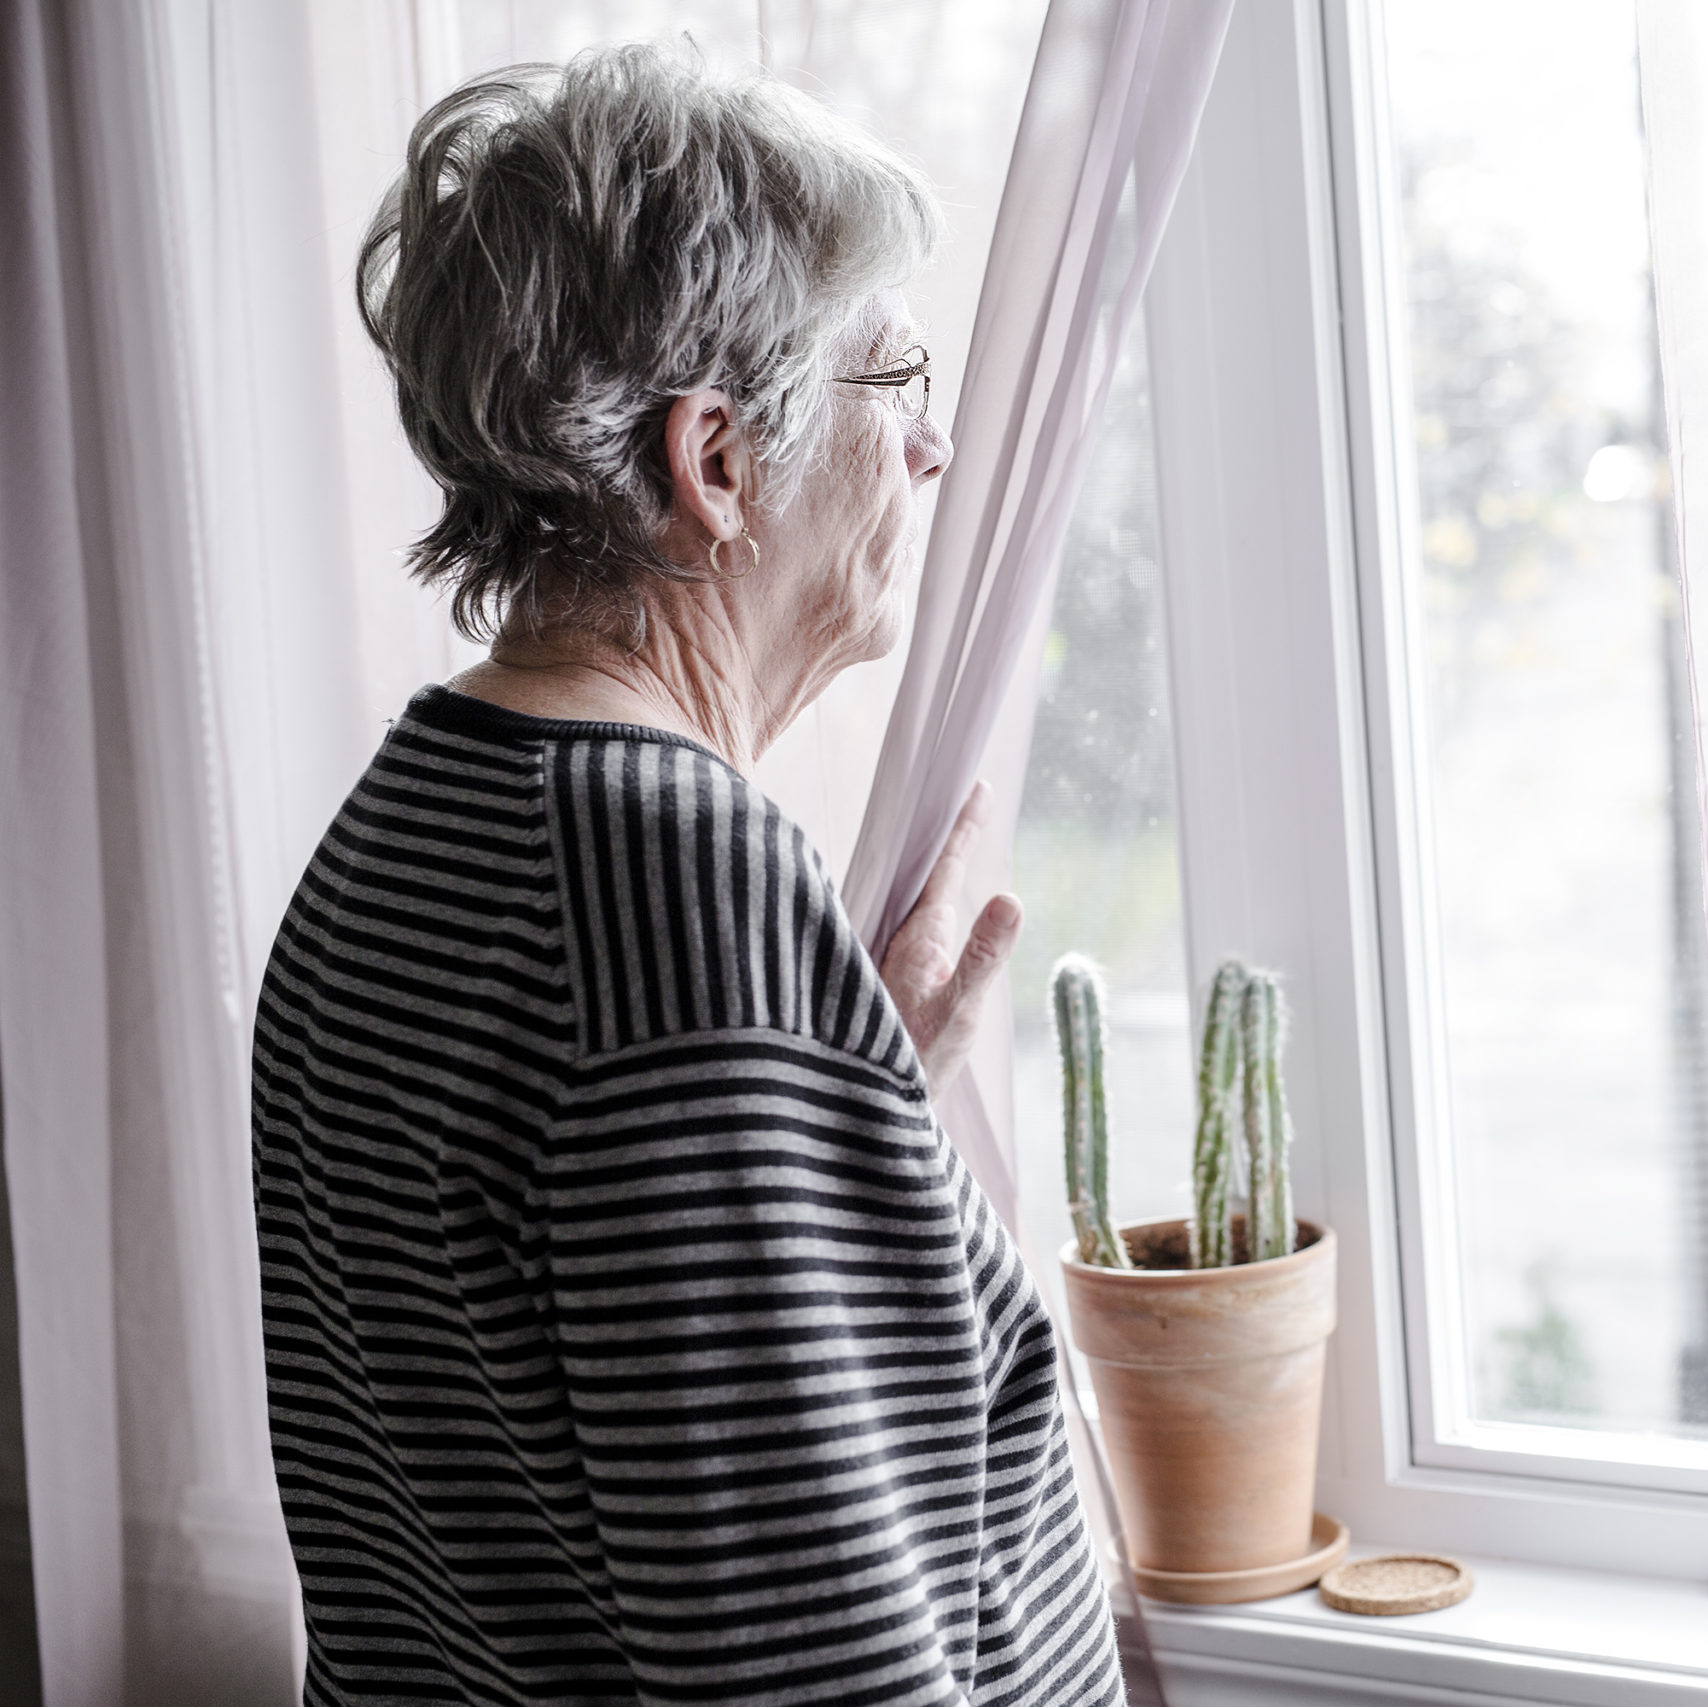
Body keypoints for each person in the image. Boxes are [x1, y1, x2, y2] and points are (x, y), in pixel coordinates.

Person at [251, 43, 1124, 1706]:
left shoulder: (401, 829)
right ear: (716, 459)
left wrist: (839, 1114)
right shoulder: (676, 897)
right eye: (896, 384)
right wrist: (766, 1048)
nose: (932, 453)